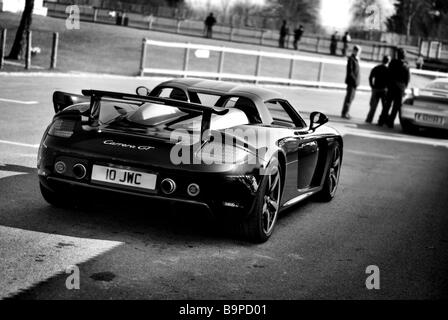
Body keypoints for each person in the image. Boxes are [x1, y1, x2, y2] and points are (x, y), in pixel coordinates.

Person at [378, 48, 410, 128]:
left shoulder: (392, 63)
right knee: (396, 106)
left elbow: (388, 74)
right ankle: (390, 122)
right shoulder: (406, 65)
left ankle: (381, 121)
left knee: (387, 104)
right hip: (400, 88)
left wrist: (388, 84)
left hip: (391, 86)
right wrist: (404, 87)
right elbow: (407, 78)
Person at [365, 55, 390, 123]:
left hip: (376, 88)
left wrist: (372, 85)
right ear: (388, 61)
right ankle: (384, 120)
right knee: (385, 107)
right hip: (384, 90)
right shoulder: (388, 70)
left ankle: (369, 119)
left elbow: (370, 77)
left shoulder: (376, 68)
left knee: (373, 106)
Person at [341, 45, 361, 119]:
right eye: (358, 51)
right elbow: (350, 72)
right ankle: (345, 113)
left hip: (354, 83)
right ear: (355, 51)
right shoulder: (351, 59)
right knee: (349, 98)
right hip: (351, 82)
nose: (359, 53)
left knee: (351, 98)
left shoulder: (356, 59)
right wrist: (355, 81)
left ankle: (346, 112)